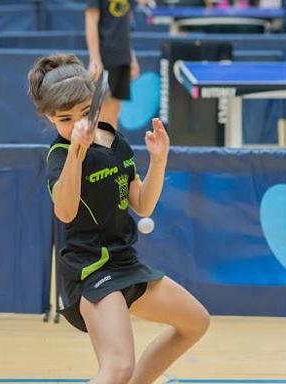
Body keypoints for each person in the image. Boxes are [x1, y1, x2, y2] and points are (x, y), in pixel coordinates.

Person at [27, 53, 209, 383]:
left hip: (125, 263)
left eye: (84, 112)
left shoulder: (113, 140)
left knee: (196, 321)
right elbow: (65, 211)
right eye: (64, 119)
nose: (76, 124)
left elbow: (142, 204)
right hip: (91, 270)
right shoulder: (59, 155)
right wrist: (77, 154)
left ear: (94, 106)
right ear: (51, 119)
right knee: (118, 366)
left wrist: (159, 161)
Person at [85, 0, 146, 129]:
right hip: (105, 57)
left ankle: (111, 148)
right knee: (101, 114)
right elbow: (91, 20)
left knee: (115, 110)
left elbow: (125, 25)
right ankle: (99, 148)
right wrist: (94, 58)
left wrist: (131, 56)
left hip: (122, 58)